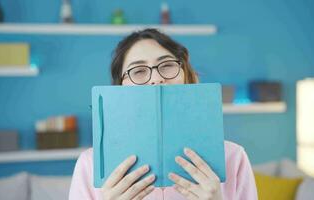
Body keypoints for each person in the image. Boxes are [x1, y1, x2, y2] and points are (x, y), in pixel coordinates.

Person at [69, 29, 258, 200]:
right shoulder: (90, 165)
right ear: (120, 85)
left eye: (167, 65)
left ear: (185, 74)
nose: (156, 78)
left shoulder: (234, 158)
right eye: (139, 71)